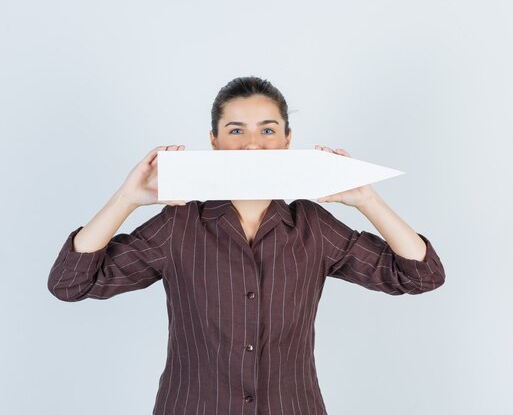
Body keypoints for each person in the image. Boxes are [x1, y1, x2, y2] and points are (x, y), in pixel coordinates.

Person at [47, 76, 446, 415]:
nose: (252, 145)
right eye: (236, 130)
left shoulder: (313, 225)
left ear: (288, 140)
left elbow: (420, 275)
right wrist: (126, 199)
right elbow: (71, 284)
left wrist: (367, 200)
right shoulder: (179, 224)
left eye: (268, 130)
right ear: (215, 142)